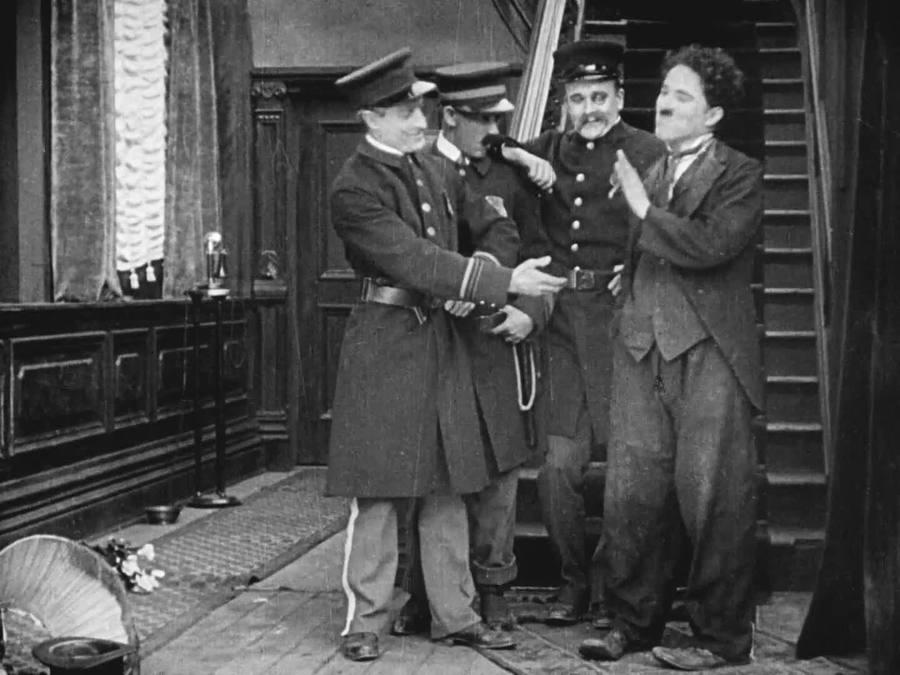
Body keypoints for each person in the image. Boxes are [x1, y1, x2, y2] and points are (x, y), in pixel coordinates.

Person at [326, 47, 566, 662]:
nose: (419, 121)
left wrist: (483, 264)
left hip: (438, 337)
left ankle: (455, 615)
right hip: (385, 341)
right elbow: (413, 260)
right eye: (405, 112)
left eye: (421, 109)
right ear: (370, 119)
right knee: (378, 487)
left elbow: (493, 225)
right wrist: (498, 281)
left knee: (447, 482)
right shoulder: (354, 187)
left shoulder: (435, 169)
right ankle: (365, 621)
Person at [578, 44, 764, 671]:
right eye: (664, 91)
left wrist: (640, 207)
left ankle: (720, 639)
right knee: (632, 493)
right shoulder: (652, 168)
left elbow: (712, 246)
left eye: (682, 96)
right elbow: (647, 249)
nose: (664, 102)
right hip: (640, 346)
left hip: (708, 349)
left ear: (712, 115)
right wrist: (626, 285)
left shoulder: (740, 173)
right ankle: (630, 623)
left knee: (714, 497)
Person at [486, 40, 666, 626]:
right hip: (562, 325)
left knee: (626, 470)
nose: (590, 108)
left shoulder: (649, 151)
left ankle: (618, 586)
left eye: (599, 96)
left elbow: (670, 225)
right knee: (559, 467)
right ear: (564, 101)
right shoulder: (546, 149)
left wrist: (637, 268)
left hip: (623, 327)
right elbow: (483, 152)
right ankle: (573, 582)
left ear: (620, 97)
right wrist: (513, 152)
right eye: (579, 98)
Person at [391, 62, 551, 636]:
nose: (495, 130)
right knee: (431, 474)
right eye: (484, 119)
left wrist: (528, 311)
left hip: (491, 341)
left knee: (499, 476)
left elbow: (536, 252)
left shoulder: (510, 177)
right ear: (452, 117)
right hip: (429, 340)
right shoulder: (407, 168)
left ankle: (494, 586)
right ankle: (424, 593)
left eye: (499, 119)